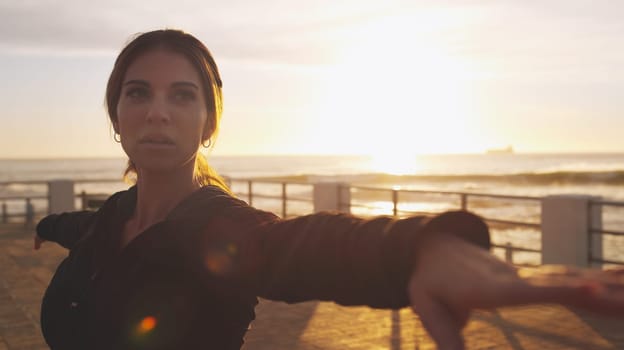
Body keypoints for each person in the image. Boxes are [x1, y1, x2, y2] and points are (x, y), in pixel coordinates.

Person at [34, 29, 624, 350]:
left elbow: (301, 245)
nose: (157, 112)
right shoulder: (108, 217)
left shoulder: (216, 228)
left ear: (208, 123)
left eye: (181, 95)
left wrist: (416, 251)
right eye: (138, 92)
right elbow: (78, 229)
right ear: (116, 114)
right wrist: (45, 227)